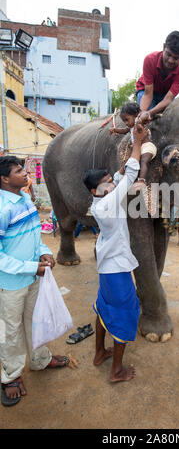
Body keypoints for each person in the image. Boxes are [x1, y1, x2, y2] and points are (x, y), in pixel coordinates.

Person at [0, 156, 69, 407]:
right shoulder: (1, 208)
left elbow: (32, 235)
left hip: (32, 276)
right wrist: (32, 267)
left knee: (35, 320)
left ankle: (40, 359)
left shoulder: (26, 199)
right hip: (9, 284)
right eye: (19, 170)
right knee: (10, 331)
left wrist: (44, 251)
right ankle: (10, 376)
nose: (25, 172)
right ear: (4, 179)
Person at [83, 122, 148, 383]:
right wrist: (137, 143)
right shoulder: (108, 201)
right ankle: (116, 371)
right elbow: (129, 175)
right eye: (106, 182)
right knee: (125, 314)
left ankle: (100, 353)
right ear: (94, 190)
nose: (111, 183)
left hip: (107, 268)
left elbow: (119, 177)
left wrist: (116, 174)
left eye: (109, 180)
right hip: (117, 270)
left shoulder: (99, 200)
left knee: (103, 308)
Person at [136, 31, 179, 123]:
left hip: (164, 97)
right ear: (164, 47)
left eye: (176, 58)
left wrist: (150, 113)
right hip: (146, 91)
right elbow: (148, 94)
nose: (170, 60)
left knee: (173, 119)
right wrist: (143, 114)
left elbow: (168, 99)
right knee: (146, 121)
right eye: (168, 54)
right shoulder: (150, 60)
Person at [110, 102, 157, 186]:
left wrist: (139, 120)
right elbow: (124, 130)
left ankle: (141, 180)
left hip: (147, 147)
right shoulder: (131, 127)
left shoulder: (138, 122)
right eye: (124, 121)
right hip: (138, 149)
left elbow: (146, 114)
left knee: (143, 161)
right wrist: (115, 130)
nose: (126, 123)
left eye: (127, 120)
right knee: (129, 162)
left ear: (136, 115)